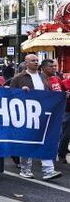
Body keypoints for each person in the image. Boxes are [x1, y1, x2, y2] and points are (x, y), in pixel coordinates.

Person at [10, 53, 62, 181]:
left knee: (45, 140)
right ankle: (25, 169)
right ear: (26, 63)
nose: (36, 62)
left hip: (43, 113)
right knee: (27, 141)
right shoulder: (18, 78)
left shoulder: (43, 77)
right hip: (27, 114)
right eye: (33, 60)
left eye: (37, 60)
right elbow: (10, 95)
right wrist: (21, 91)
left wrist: (60, 97)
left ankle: (48, 170)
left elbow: (49, 93)